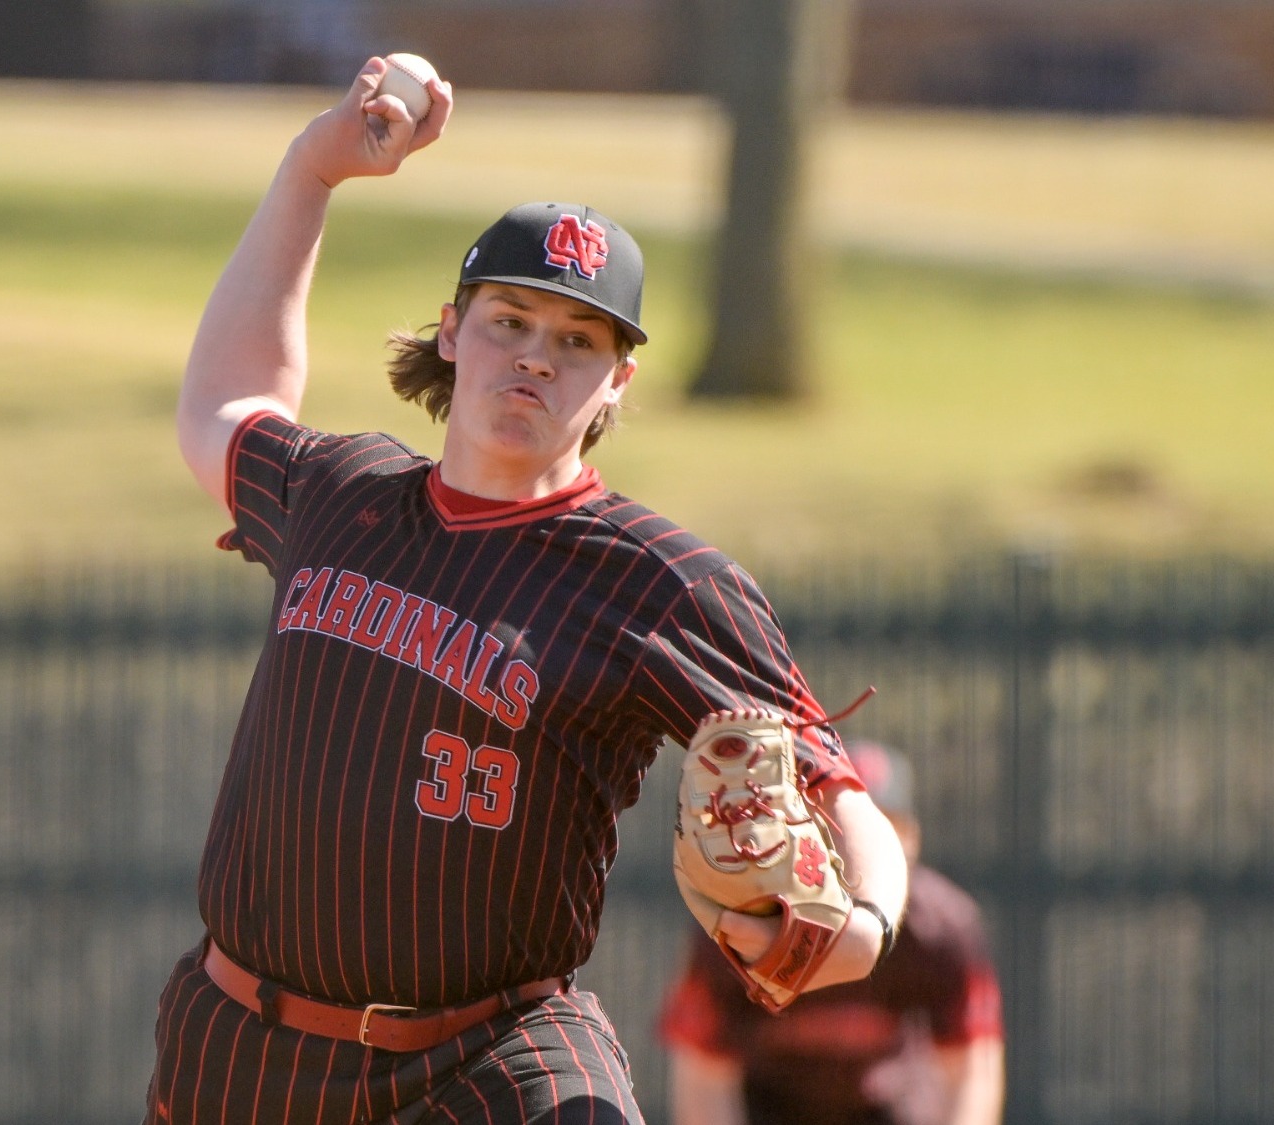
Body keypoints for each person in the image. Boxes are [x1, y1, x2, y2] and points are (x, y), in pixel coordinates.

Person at [143, 56, 909, 1125]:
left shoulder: (657, 582)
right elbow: (224, 401)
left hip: (490, 1061)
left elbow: (836, 788)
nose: (536, 359)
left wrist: (864, 921)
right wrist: (310, 172)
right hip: (246, 1051)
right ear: (452, 332)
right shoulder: (339, 494)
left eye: (578, 340)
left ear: (617, 382)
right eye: (509, 320)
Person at [660, 745, 1006, 1125]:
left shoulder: (942, 926)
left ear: (910, 839)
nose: (858, 850)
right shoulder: (743, 920)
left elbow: (973, 1071)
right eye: (836, 829)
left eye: (879, 831)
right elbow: (703, 1076)